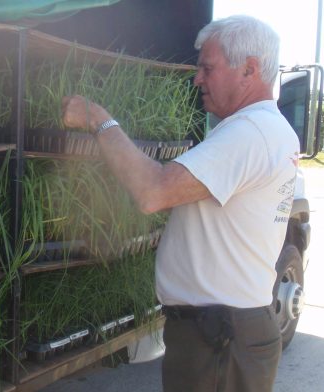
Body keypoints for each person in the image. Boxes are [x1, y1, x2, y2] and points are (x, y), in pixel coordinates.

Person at [61, 15, 300, 392]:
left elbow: (154, 191)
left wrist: (100, 121)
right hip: (222, 332)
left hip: (220, 341)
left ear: (249, 69)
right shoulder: (268, 130)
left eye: (207, 68)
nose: (197, 79)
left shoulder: (249, 133)